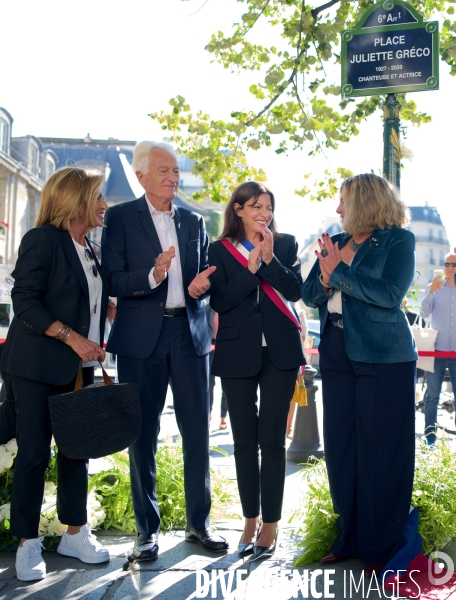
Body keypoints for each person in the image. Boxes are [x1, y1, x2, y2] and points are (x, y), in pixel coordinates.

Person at [101, 141, 228, 561]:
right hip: (140, 341)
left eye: (175, 171)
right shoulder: (119, 218)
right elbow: (114, 281)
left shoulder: (193, 221)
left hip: (189, 336)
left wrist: (200, 289)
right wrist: (152, 274)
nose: (174, 178)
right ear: (141, 176)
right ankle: (146, 531)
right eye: (164, 171)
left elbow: (204, 277)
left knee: (197, 433)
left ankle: (199, 523)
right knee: (143, 436)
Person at [1, 167, 113, 581]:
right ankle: (27, 544)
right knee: (32, 455)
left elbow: (79, 298)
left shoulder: (89, 248)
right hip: (36, 366)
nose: (104, 205)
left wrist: (101, 316)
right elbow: (25, 302)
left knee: (75, 452)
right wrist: (73, 337)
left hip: (76, 367)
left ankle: (74, 533)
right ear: (77, 200)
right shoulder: (43, 239)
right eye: (99, 197)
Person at [302, 173, 417, 576]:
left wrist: (340, 276)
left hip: (383, 358)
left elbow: (390, 295)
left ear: (364, 203)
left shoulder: (399, 241)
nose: (337, 210)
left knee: (381, 453)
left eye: (343, 202)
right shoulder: (334, 241)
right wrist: (325, 274)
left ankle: (379, 548)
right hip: (335, 352)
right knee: (342, 449)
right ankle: (348, 539)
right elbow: (309, 294)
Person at [208, 181, 305, 559]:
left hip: (280, 352)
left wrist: (270, 262)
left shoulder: (286, 244)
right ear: (238, 210)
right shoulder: (218, 249)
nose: (264, 213)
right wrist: (250, 270)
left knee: (272, 441)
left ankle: (271, 523)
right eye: (256, 206)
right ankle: (250, 519)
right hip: (236, 353)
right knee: (244, 441)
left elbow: (295, 290)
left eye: (268, 206)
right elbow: (221, 301)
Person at [420, 253, 456, 444]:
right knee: (432, 398)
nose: (450, 268)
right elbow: (424, 313)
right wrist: (431, 292)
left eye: (454, 264)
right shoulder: (434, 287)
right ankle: (430, 440)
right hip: (436, 352)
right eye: (447, 264)